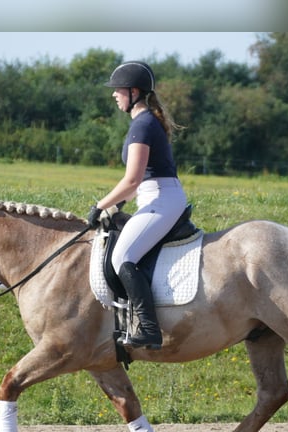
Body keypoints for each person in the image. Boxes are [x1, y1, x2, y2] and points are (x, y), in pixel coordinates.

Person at [87, 61, 187, 351]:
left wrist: (100, 206)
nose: (113, 95)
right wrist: (115, 206)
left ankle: (148, 327)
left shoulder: (142, 125)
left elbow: (132, 180)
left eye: (117, 90)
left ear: (133, 92)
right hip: (155, 196)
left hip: (161, 198)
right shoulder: (143, 123)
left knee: (123, 257)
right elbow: (134, 184)